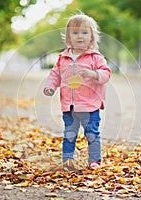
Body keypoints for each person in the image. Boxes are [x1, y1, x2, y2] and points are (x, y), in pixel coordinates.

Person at [43, 13, 111, 170]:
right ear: (68, 38)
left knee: (92, 134)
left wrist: (94, 74)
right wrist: (50, 86)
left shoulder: (95, 57)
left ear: (92, 37)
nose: (80, 36)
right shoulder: (63, 57)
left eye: (85, 33)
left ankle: (94, 160)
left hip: (90, 105)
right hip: (70, 106)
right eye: (75, 33)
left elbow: (106, 73)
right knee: (69, 135)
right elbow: (55, 74)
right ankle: (68, 160)